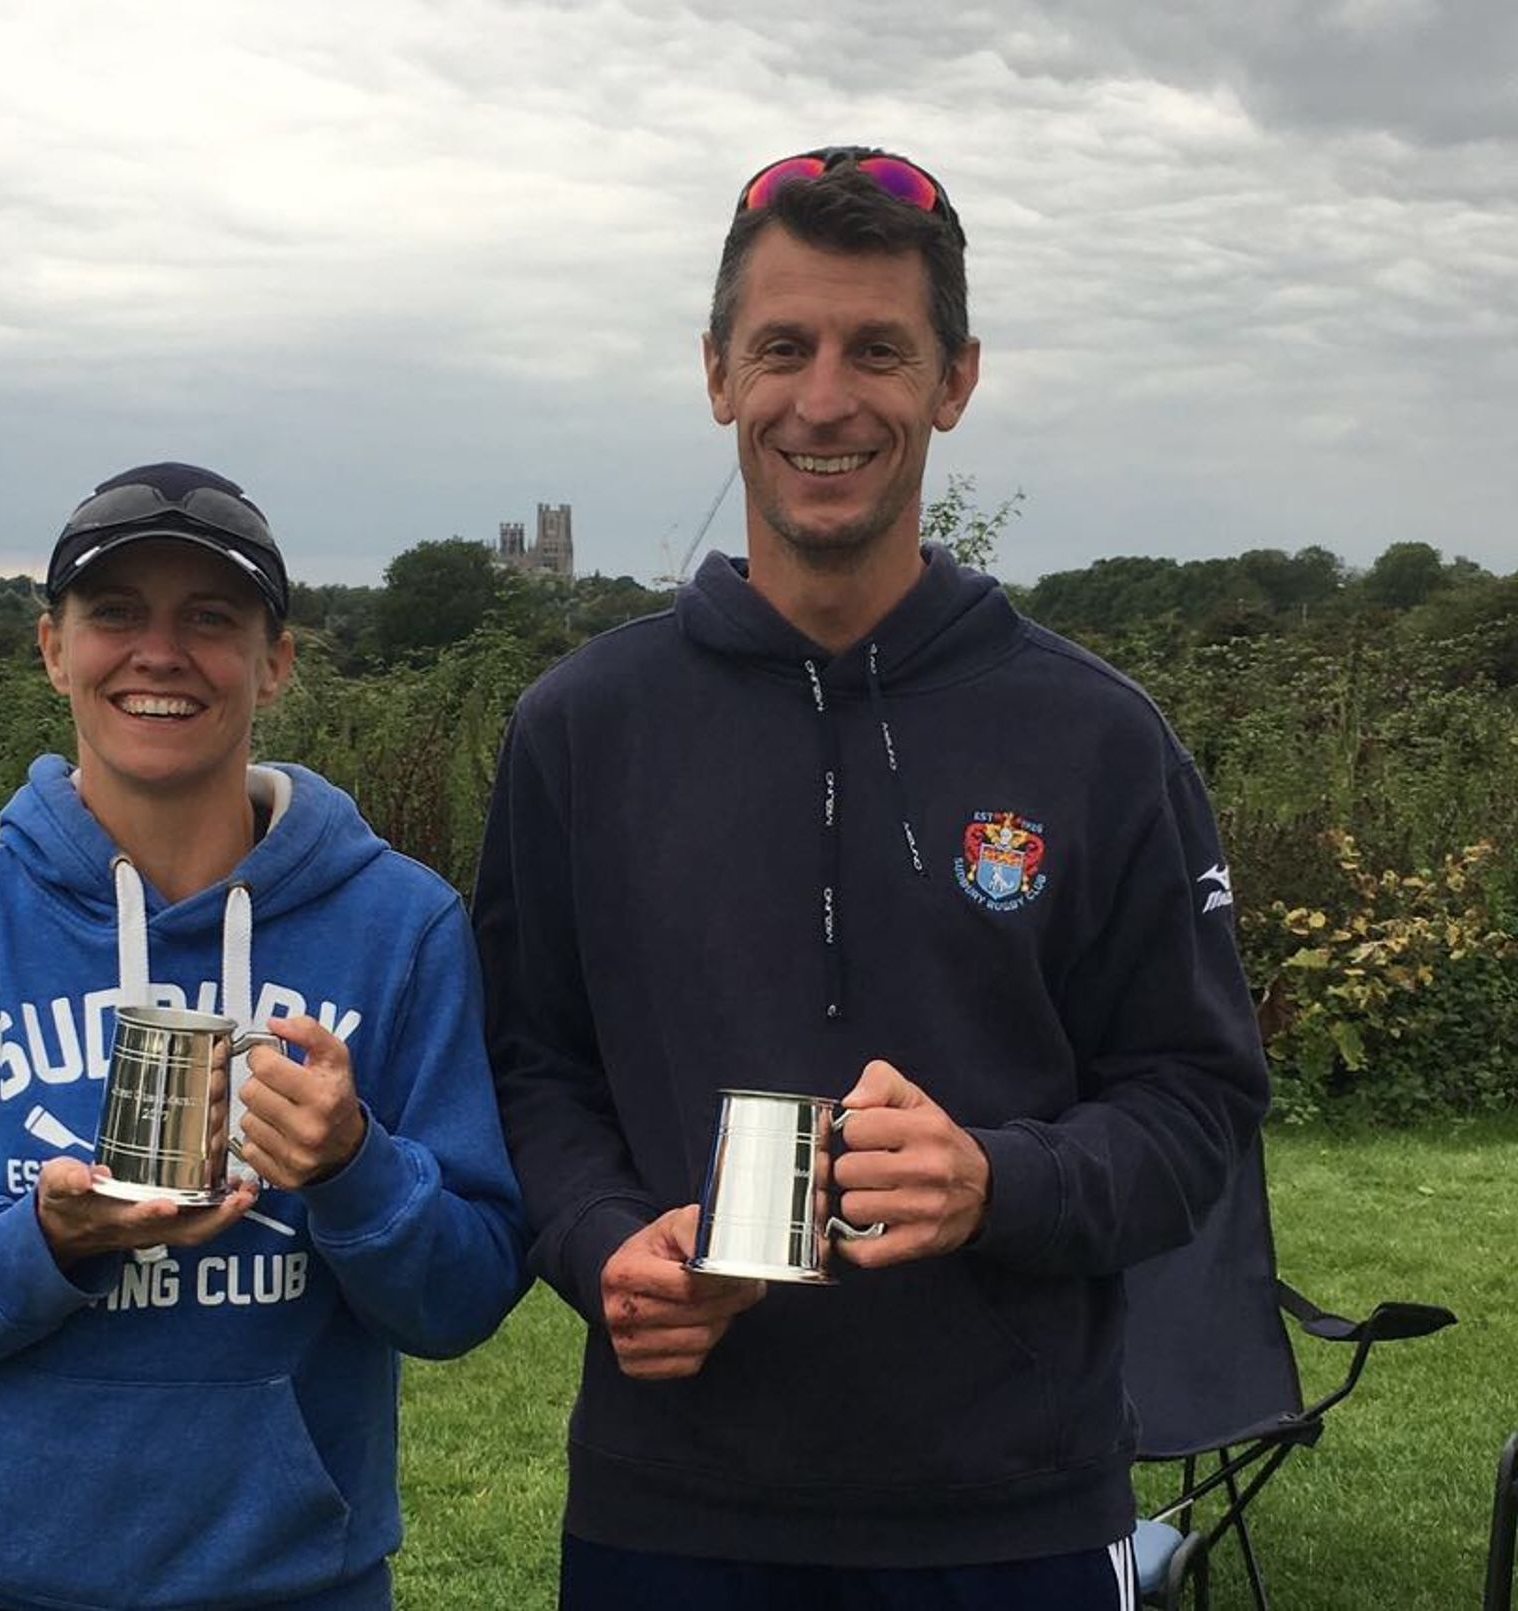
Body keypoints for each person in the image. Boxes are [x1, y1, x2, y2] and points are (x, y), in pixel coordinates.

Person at [472, 147, 1269, 1608]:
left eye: (878, 349)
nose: (824, 398)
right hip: (671, 1506)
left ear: (954, 379)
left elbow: (1197, 1099)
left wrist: (998, 1180)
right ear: (719, 372)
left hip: (1012, 1511)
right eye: (783, 346)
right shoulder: (580, 728)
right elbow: (528, 1065)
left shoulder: (1097, 734)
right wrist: (600, 1241)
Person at [0, 462, 526, 1611]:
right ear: (51, 648)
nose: (160, 653)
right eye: (116, 613)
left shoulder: (401, 926)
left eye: (211, 619)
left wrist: (351, 1165)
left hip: (292, 1580)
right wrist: (41, 1239)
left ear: (277, 659)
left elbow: (467, 1295)